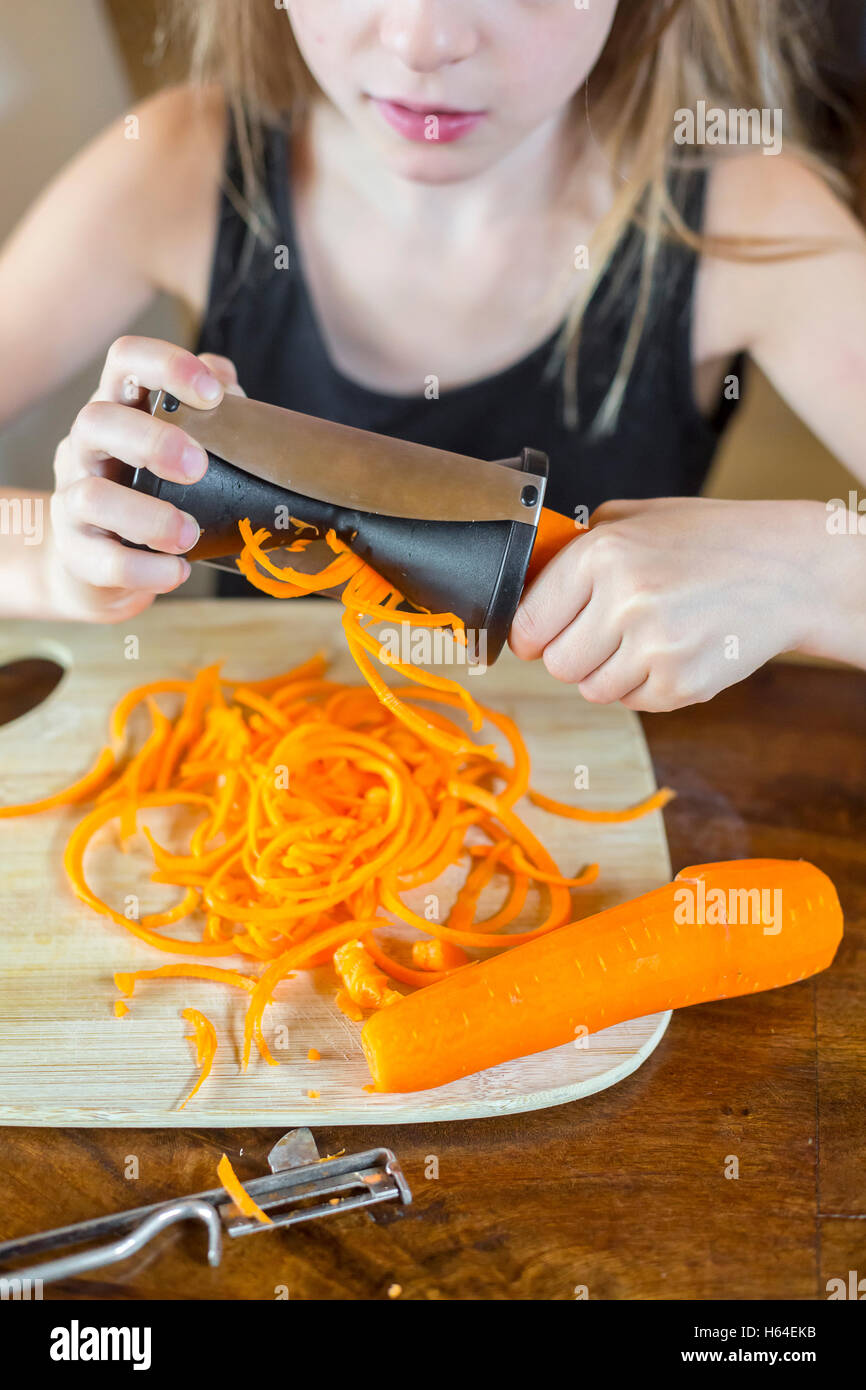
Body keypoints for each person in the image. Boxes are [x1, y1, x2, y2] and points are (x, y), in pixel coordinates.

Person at [0, 0, 864, 709]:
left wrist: (814, 572)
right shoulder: (175, 163)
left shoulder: (750, 212)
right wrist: (49, 557)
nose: (421, 40)